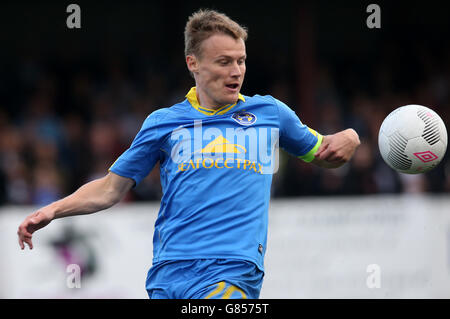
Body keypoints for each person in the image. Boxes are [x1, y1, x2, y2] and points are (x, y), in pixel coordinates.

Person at [17, 9, 360, 299]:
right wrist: (52, 210)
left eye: (241, 60)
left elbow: (324, 152)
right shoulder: (164, 123)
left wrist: (349, 136)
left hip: (233, 268)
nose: (236, 71)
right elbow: (110, 189)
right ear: (192, 63)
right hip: (168, 273)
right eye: (224, 62)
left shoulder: (270, 113)